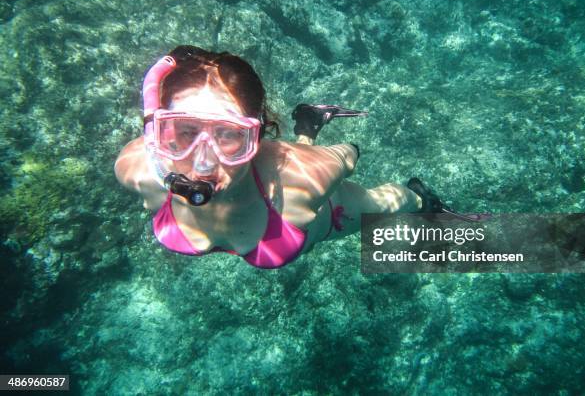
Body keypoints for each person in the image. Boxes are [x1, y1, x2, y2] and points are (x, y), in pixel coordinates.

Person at [114, 45, 463, 269]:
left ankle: (422, 198)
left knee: (381, 204)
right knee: (294, 156)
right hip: (283, 171)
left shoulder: (307, 177)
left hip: (330, 215)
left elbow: (341, 160)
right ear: (156, 132)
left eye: (229, 135)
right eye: (185, 131)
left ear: (259, 134)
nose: (203, 163)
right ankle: (308, 122)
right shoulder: (138, 169)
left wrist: (351, 150)